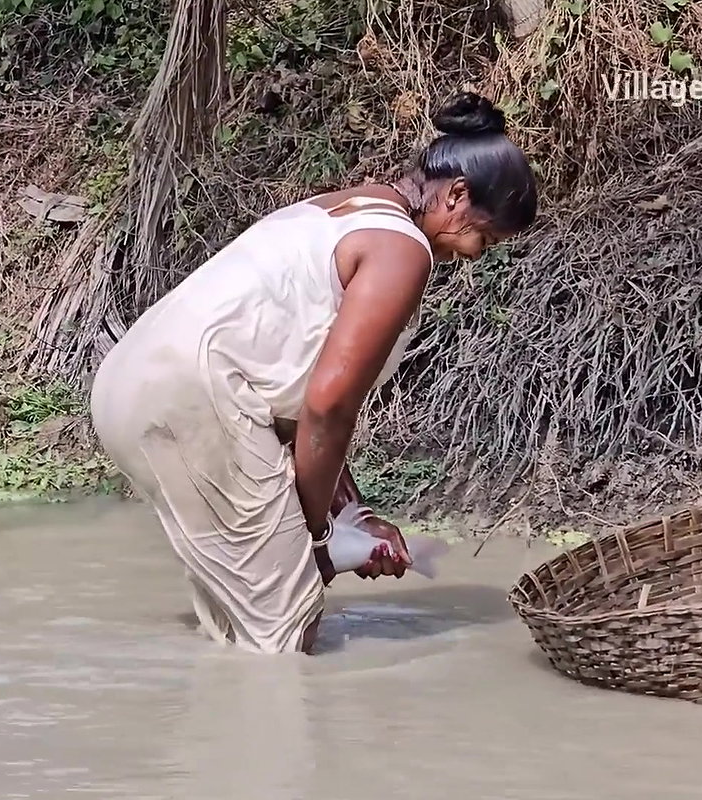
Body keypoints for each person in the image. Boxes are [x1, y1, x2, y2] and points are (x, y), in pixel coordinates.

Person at [89, 91, 539, 654]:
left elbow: (301, 394)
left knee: (240, 620)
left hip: (130, 382)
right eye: (484, 237)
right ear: (457, 195)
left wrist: (353, 515)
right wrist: (320, 537)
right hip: (195, 396)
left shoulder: (352, 205)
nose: (474, 255)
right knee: (286, 631)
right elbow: (328, 407)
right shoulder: (405, 251)